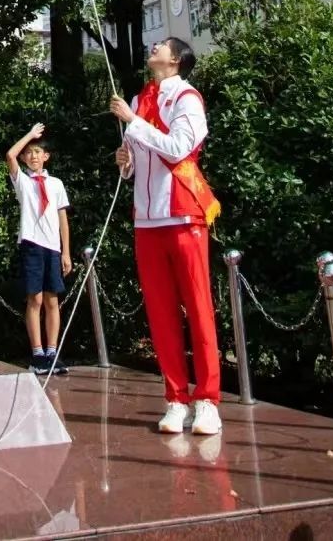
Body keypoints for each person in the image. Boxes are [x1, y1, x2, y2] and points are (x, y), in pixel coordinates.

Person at [111, 37, 223, 437]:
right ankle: (175, 397)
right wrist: (124, 162)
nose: (151, 48)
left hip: (184, 212)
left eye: (159, 45)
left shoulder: (187, 99)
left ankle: (207, 399)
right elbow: (134, 158)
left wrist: (134, 122)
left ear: (175, 59)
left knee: (198, 307)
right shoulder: (140, 98)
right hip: (147, 218)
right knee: (159, 314)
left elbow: (178, 148)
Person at [5, 122, 72, 375]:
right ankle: (37, 353)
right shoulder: (23, 182)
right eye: (29, 153)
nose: (33, 156)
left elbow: (62, 218)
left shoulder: (56, 183)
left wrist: (66, 251)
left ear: (46, 157)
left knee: (53, 300)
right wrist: (30, 134)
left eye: (38, 152)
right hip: (32, 245)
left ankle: (53, 351)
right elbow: (10, 155)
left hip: (52, 247)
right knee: (35, 298)